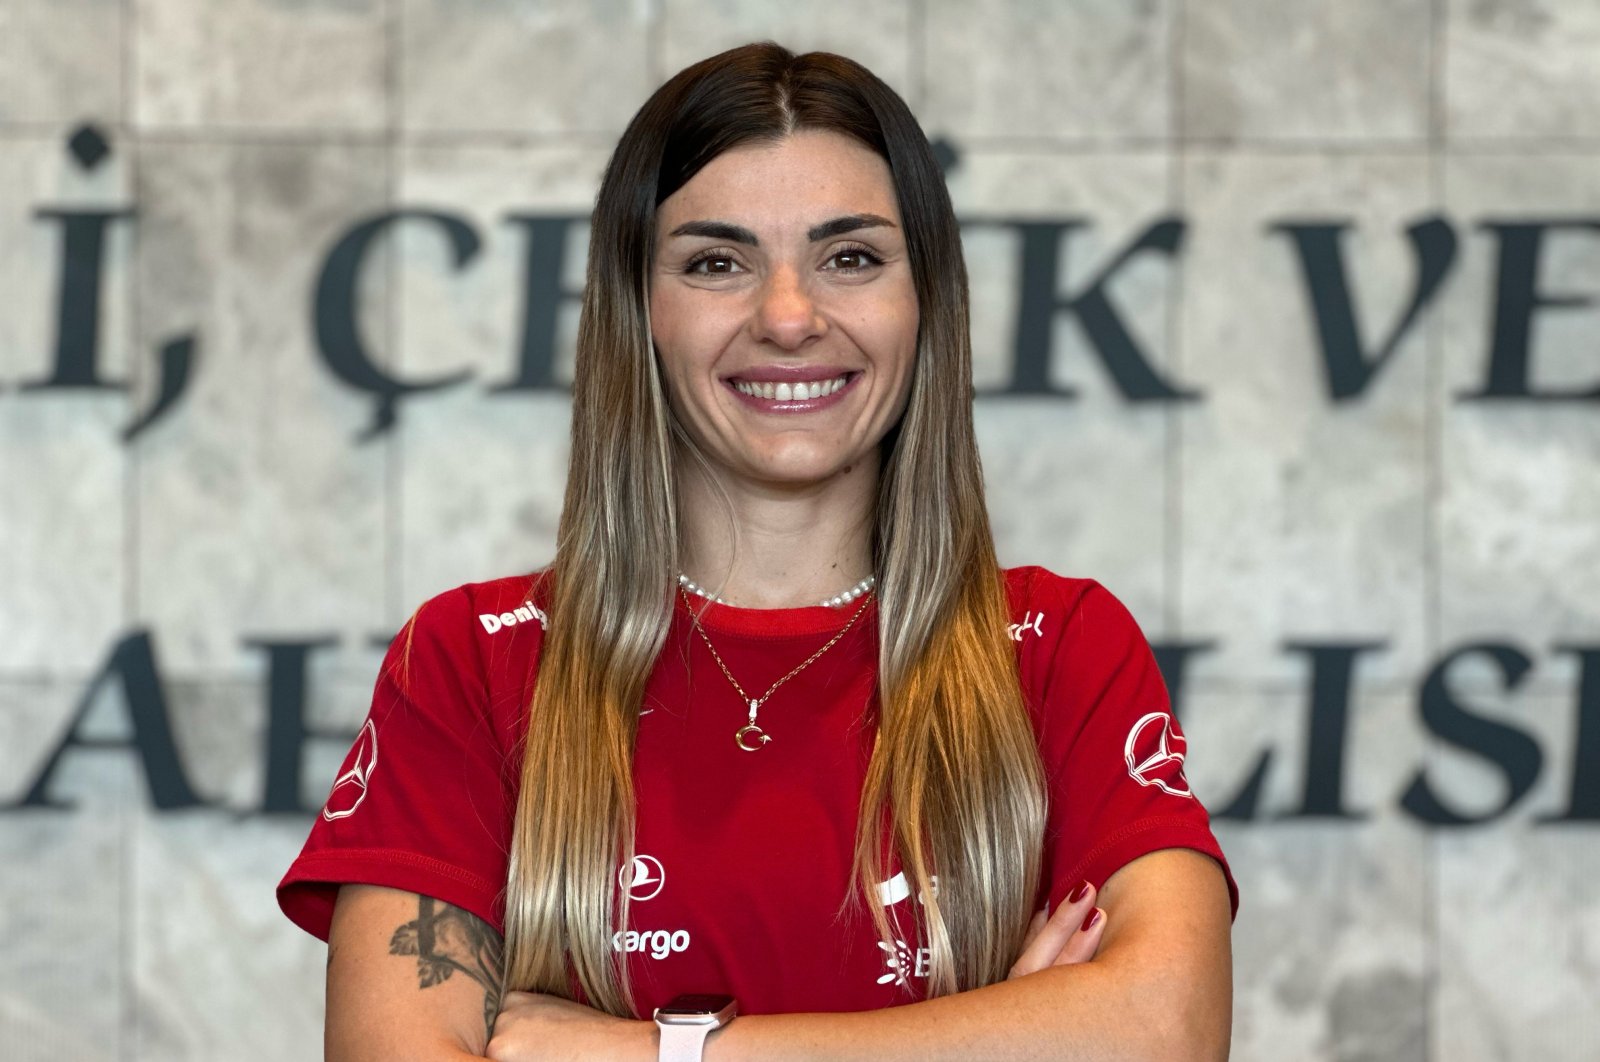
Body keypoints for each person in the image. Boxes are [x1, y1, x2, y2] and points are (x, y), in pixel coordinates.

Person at [279, 41, 1238, 1062]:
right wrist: (994, 1037)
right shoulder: (473, 661)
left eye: (851, 257)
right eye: (716, 262)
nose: (789, 316)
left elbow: (1162, 1030)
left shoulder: (1057, 648)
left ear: (927, 304)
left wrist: (653, 1051)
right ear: (638, 311)